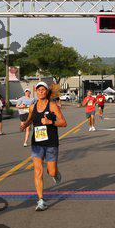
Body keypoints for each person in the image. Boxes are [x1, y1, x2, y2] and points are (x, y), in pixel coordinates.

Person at [20, 81, 67, 211]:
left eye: (43, 90)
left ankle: (55, 173)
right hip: (37, 143)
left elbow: (63, 122)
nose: (41, 92)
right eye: (38, 90)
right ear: (36, 91)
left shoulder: (52, 105)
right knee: (37, 171)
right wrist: (24, 125)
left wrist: (50, 122)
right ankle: (41, 200)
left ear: (46, 92)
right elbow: (30, 119)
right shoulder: (32, 106)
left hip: (51, 143)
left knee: (51, 171)